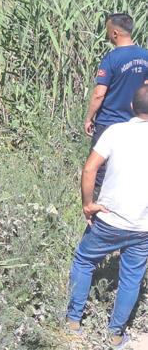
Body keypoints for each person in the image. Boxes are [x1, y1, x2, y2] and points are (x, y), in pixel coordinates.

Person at [67, 85, 148, 348]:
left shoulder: (116, 131)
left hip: (109, 217)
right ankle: (114, 335)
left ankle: (73, 322)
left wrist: (88, 204)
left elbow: (90, 169)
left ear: (132, 107)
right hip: (143, 226)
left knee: (84, 260)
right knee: (131, 278)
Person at [83, 13, 148, 195]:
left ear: (115, 33)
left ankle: (98, 205)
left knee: (101, 169)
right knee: (133, 165)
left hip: (109, 121)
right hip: (137, 121)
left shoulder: (111, 59)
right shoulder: (145, 56)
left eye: (108, 30)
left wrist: (89, 118)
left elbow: (99, 93)